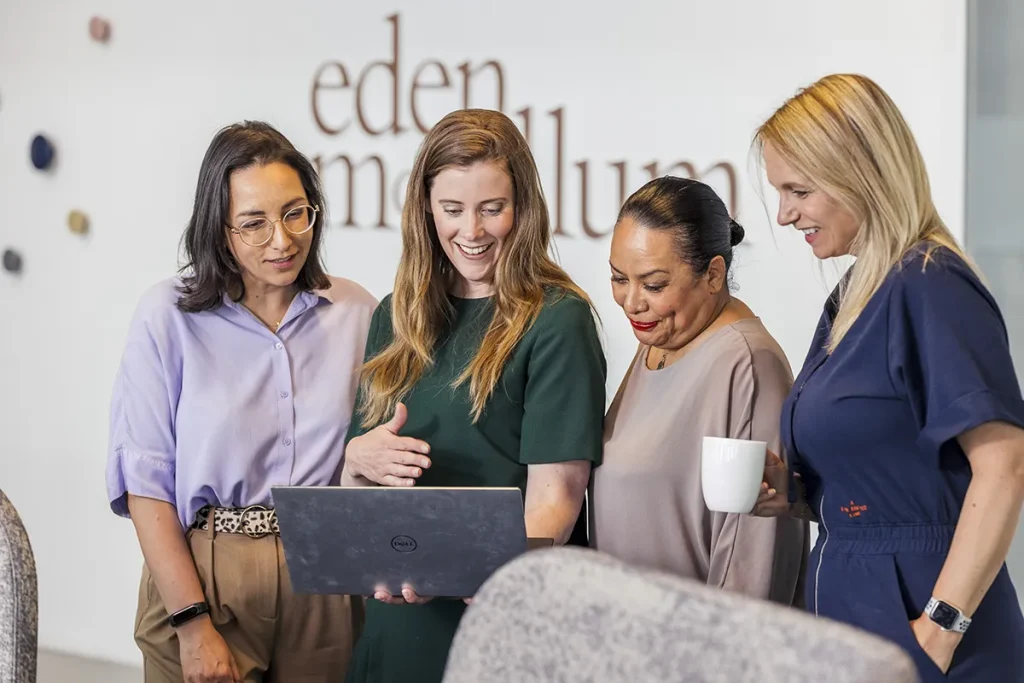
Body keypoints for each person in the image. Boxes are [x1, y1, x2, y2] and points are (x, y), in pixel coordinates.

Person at [751, 73, 1024, 681]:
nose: (785, 213)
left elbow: (1005, 466)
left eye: (798, 190)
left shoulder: (930, 283)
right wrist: (794, 494)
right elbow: (884, 466)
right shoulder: (859, 293)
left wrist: (940, 629)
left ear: (861, 174)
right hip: (859, 610)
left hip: (921, 620)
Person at [339, 108, 606, 683]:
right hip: (393, 620)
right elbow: (360, 483)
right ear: (426, 209)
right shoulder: (396, 315)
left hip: (491, 617)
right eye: (452, 210)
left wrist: (484, 572)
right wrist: (354, 460)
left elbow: (558, 497)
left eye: (493, 209)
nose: (473, 232)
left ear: (523, 207)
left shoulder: (558, 320)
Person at [106, 121, 376, 683]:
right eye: (253, 223)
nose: (281, 240)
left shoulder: (358, 312)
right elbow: (146, 487)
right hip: (205, 573)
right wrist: (191, 623)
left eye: (295, 213)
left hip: (323, 570)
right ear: (219, 229)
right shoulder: (167, 318)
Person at [590, 176, 808, 605]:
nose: (632, 302)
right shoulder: (659, 339)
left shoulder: (746, 363)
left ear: (712, 274)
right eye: (619, 278)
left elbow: (754, 558)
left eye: (653, 285)